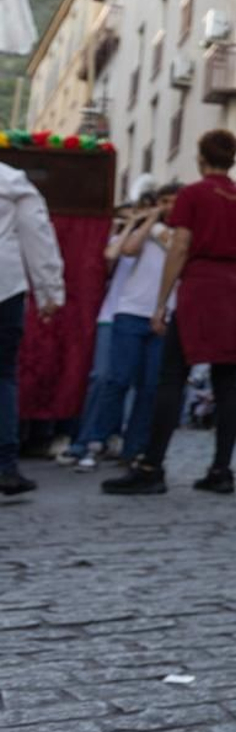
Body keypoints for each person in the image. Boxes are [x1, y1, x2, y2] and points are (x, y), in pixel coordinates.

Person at [103, 130, 236, 496]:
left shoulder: (193, 195)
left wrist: (162, 301)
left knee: (172, 376)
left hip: (201, 287)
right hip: (234, 290)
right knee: (226, 381)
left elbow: (180, 247)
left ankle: (151, 466)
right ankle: (221, 470)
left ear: (200, 158)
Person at [92, 182, 182, 469]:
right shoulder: (146, 227)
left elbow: (179, 253)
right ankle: (102, 437)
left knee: (150, 387)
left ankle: (134, 448)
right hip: (130, 310)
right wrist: (150, 222)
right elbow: (128, 250)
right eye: (164, 201)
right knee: (117, 379)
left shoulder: (186, 233)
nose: (169, 206)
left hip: (165, 314)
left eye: (173, 201)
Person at [0, 161, 65, 496]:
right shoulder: (11, 180)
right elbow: (37, 234)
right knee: (3, 376)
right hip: (4, 286)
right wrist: (49, 290)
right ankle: (5, 467)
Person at [57, 205, 139, 468]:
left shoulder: (163, 238)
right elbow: (112, 255)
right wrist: (128, 226)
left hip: (141, 316)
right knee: (101, 377)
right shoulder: (120, 239)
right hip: (112, 314)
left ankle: (115, 437)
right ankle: (86, 439)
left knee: (130, 383)